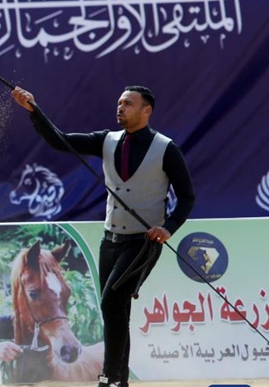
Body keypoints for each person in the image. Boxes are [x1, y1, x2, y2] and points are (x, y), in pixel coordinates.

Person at [10, 85, 195, 387]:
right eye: (119, 102)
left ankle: (108, 377)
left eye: (128, 103)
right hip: (110, 241)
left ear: (146, 110)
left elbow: (187, 196)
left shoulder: (166, 149)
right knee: (116, 309)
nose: (120, 107)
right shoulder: (106, 140)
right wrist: (33, 109)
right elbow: (59, 140)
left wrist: (168, 227)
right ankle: (120, 380)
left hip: (143, 243)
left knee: (111, 302)